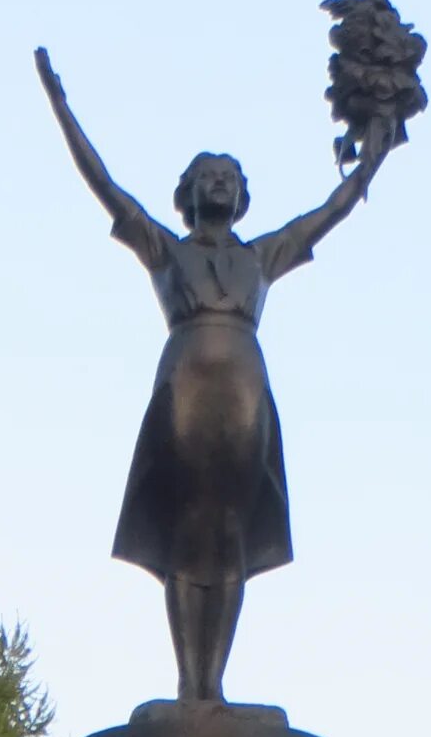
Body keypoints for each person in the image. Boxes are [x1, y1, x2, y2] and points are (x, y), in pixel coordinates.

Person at [35, 47, 394, 701]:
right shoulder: (165, 250)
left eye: (230, 177)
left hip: (244, 395)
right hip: (185, 392)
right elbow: (106, 186)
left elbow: (331, 211)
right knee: (186, 530)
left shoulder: (263, 255)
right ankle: (189, 686)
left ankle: (213, 688)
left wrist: (374, 154)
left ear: (243, 194)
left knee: (230, 533)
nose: (220, 183)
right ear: (189, 194)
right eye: (208, 176)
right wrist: (62, 109)